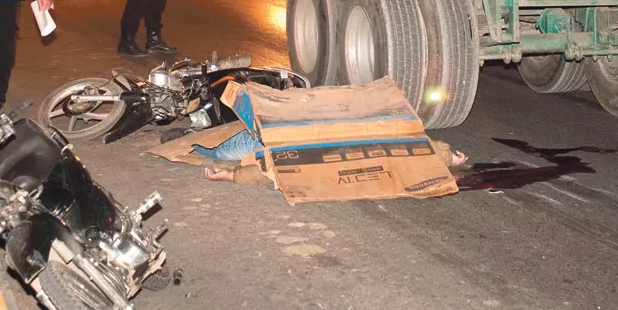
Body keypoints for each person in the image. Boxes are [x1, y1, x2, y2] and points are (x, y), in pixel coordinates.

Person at [196, 130, 469, 185]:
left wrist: (232, 175)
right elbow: (397, 138)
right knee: (214, 145)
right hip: (275, 128)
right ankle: (190, 138)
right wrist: (445, 156)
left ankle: (192, 139)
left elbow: (272, 168)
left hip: (267, 138)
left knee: (216, 148)